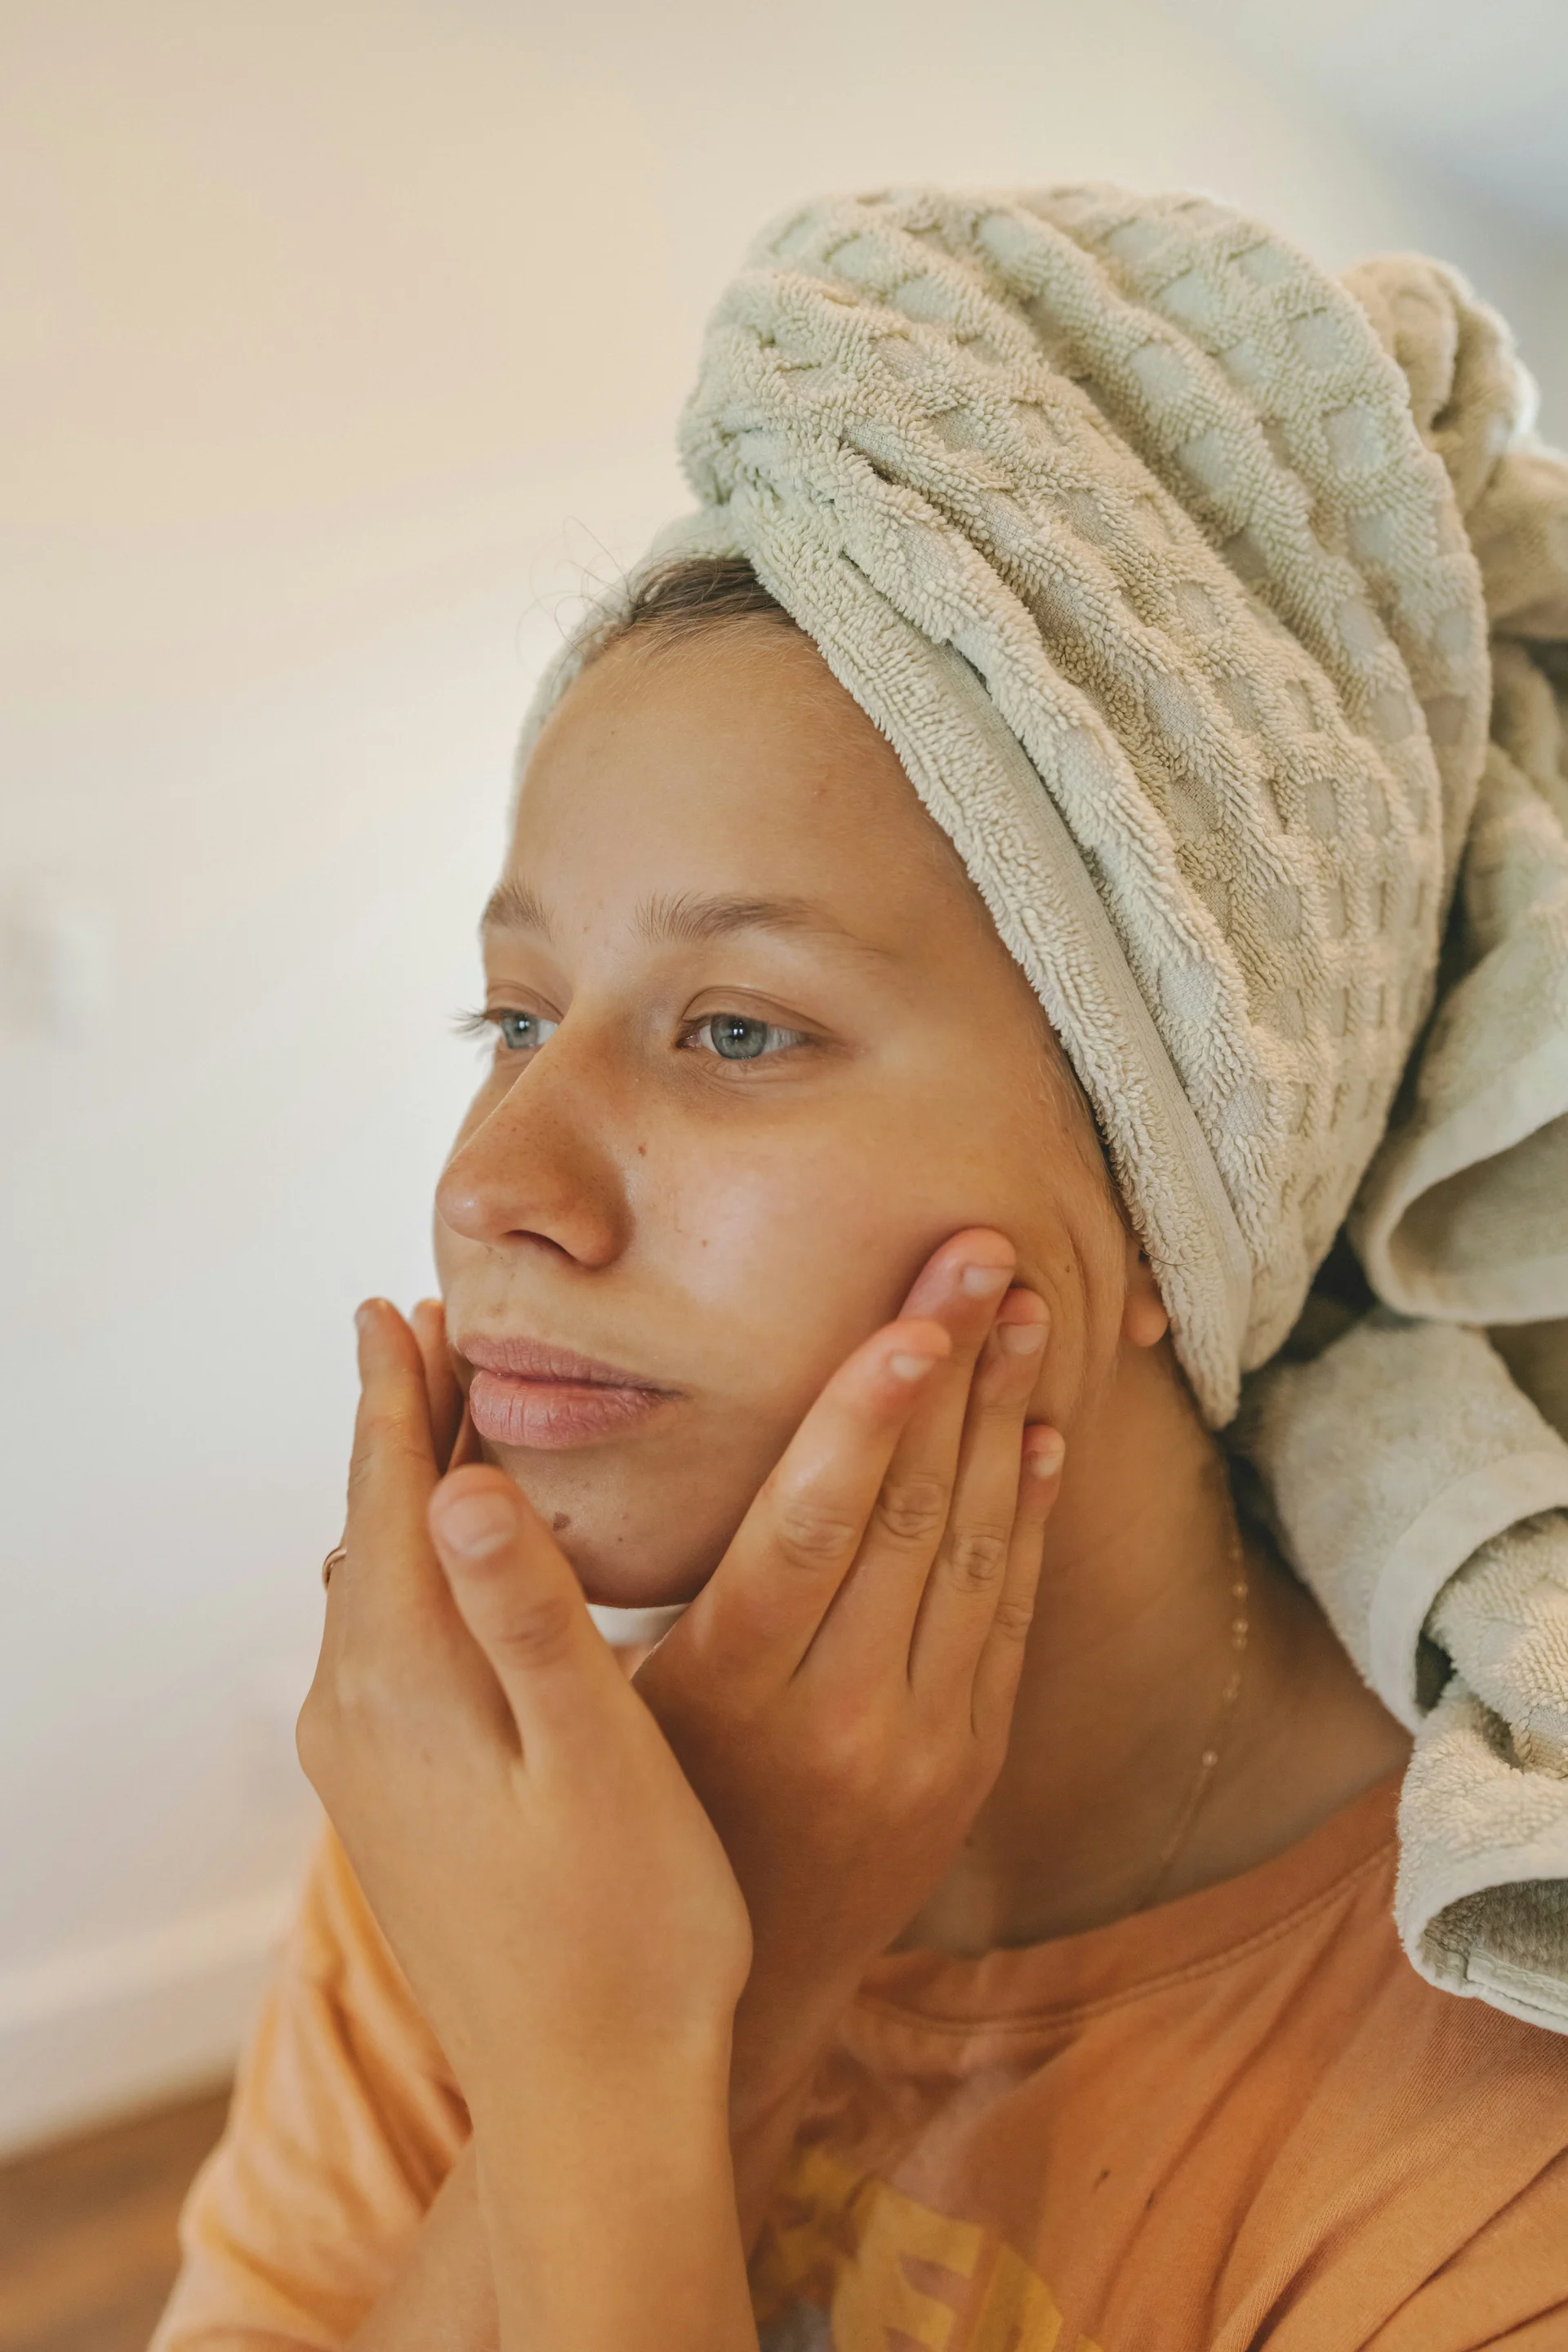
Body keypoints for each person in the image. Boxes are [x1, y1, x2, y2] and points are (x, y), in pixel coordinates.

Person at [152, 185, 1568, 2352]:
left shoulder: (1485, 2147)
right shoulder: (486, 1818)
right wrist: (714, 1979)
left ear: (1178, 1173)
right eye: (513, 1020)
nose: (494, 1183)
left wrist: (617, 2073)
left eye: (737, 1031)